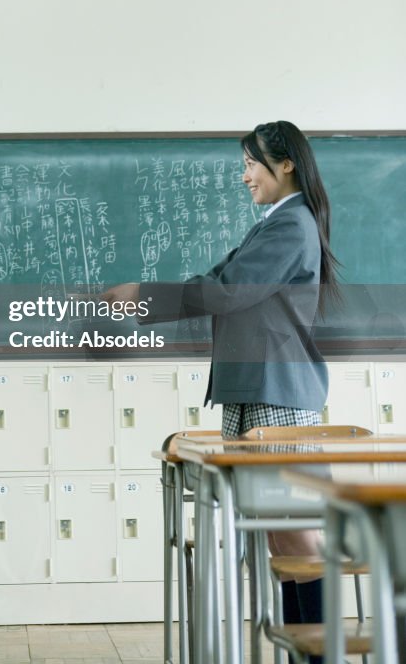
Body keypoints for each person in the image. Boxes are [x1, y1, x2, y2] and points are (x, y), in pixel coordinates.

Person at [101, 121, 340, 658]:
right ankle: (305, 651)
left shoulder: (290, 225)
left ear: (285, 165)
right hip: (257, 389)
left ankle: (320, 653)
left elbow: (229, 292)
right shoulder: (274, 224)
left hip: (276, 394)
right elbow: (219, 279)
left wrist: (145, 296)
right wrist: (146, 299)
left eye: (252, 163)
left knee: (296, 532)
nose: (244, 175)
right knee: (280, 536)